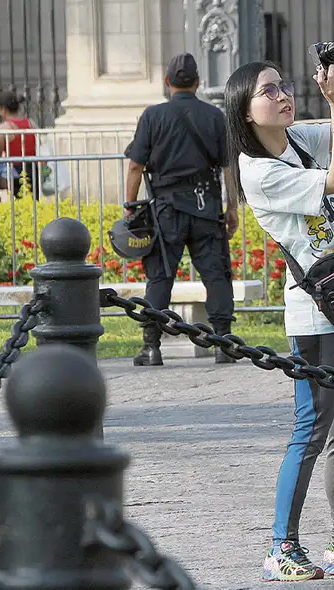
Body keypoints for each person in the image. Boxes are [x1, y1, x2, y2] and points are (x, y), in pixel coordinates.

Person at [223, 53, 334, 581]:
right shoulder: (258, 170)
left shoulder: (297, 139)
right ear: (244, 110)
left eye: (283, 86)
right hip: (316, 314)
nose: (283, 95)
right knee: (312, 430)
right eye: (268, 91)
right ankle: (281, 547)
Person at [124, 52, 240, 366]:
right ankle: (223, 343)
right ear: (198, 82)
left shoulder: (153, 116)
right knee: (216, 276)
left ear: (167, 82)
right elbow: (228, 167)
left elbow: (135, 166)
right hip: (206, 207)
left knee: (160, 277)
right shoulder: (214, 116)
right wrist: (232, 207)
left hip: (166, 211)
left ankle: (152, 347)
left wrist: (130, 208)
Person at [0, 91, 38, 200]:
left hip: (15, 170)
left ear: (3, 110)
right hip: (33, 168)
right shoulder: (31, 123)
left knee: (18, 202)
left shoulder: (4, 128)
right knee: (34, 200)